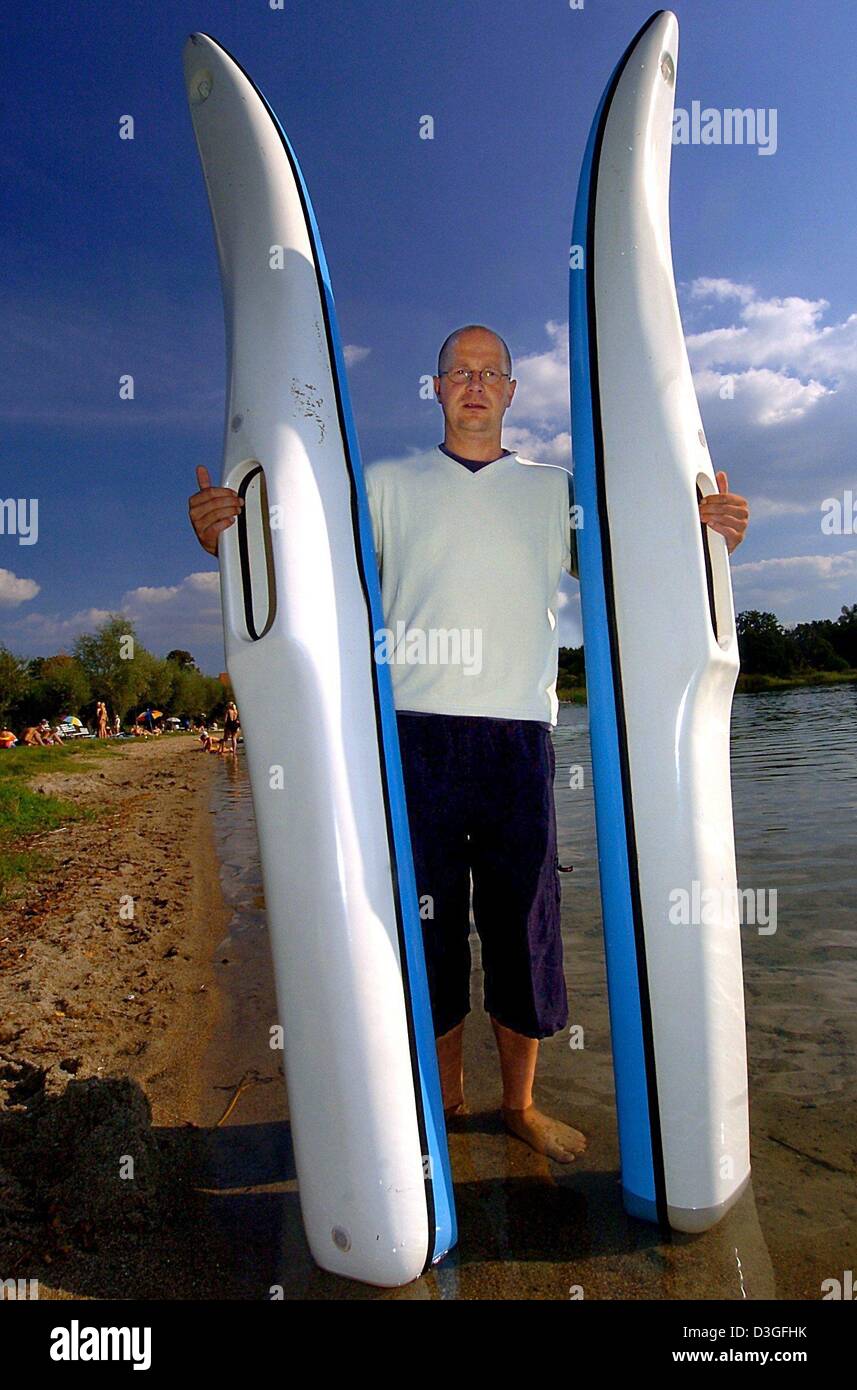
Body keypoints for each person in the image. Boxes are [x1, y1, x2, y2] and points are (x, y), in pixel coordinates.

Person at [187, 324, 749, 1162]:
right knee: (432, 927)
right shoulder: (381, 483)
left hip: (520, 738)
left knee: (526, 926)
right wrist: (225, 537)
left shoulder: (558, 488)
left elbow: (633, 567)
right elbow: (302, 566)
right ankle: (445, 1104)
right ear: (436, 387)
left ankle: (518, 1106)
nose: (475, 384)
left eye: (492, 373)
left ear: (514, 390)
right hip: (415, 741)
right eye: (459, 372)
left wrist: (708, 535)